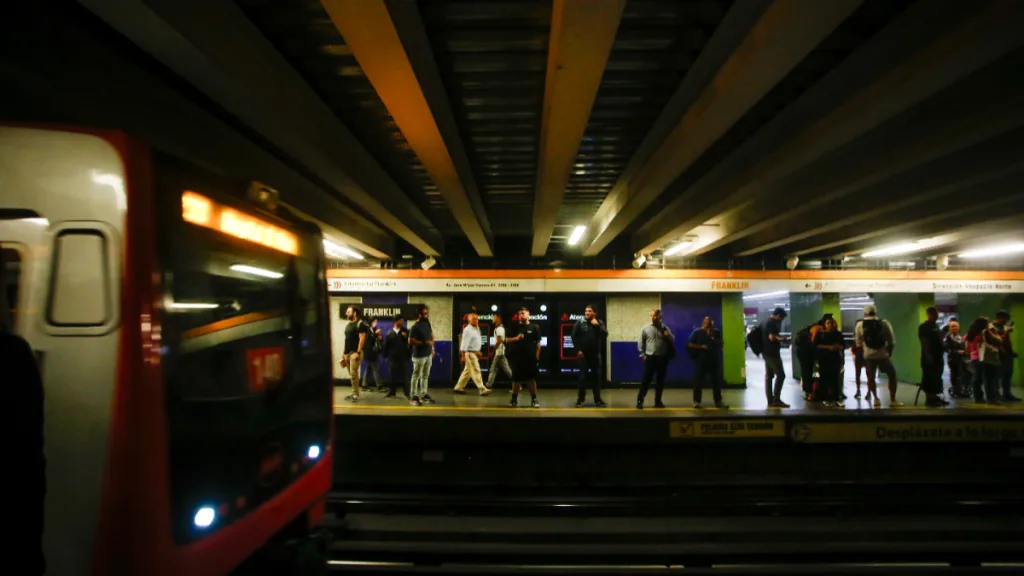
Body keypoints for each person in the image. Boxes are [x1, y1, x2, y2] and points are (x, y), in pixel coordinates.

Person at [855, 305, 901, 408]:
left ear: (865, 313)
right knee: (892, 375)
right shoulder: (884, 323)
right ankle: (893, 400)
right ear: (875, 313)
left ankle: (876, 399)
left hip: (868, 356)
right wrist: (889, 354)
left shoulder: (860, 325)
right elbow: (891, 341)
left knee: (871, 378)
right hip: (883, 355)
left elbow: (858, 343)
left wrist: (863, 355)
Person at [687, 316, 728, 409]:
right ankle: (696, 401)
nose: (708, 325)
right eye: (706, 323)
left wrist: (712, 338)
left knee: (716, 382)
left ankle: (718, 401)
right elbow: (690, 343)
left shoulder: (716, 332)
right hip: (701, 361)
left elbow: (721, 344)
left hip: (713, 361)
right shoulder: (697, 332)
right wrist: (701, 347)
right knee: (698, 382)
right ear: (703, 323)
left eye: (709, 323)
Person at [637, 308, 674, 409]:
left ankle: (658, 402)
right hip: (650, 358)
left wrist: (668, 335)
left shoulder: (665, 328)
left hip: (662, 358)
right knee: (646, 380)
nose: (653, 317)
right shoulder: (646, 328)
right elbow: (640, 342)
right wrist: (642, 354)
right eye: (652, 315)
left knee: (660, 381)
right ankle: (640, 401)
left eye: (655, 316)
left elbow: (672, 340)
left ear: (660, 317)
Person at [571, 304, 607, 407]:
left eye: (590, 311)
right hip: (584, 355)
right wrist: (578, 350)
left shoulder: (599, 323)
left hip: (595, 355)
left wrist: (596, 326)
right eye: (586, 311)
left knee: (596, 378)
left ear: (594, 313)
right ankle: (580, 400)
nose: (587, 313)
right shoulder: (580, 323)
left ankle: (598, 400)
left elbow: (604, 335)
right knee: (582, 378)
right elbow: (574, 337)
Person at [507, 306, 541, 408]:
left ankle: (534, 399)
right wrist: (516, 338)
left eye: (524, 313)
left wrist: (537, 358)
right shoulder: (514, 327)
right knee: (516, 380)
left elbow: (538, 344)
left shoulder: (534, 327)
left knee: (531, 380)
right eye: (520, 314)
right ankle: (514, 399)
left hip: (530, 358)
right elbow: (506, 339)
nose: (522, 315)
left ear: (528, 314)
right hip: (517, 358)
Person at [454, 312, 492, 396]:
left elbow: (475, 341)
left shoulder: (477, 328)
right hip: (469, 353)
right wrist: (463, 356)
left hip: (474, 353)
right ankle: (482, 389)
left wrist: (477, 351)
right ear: (469, 320)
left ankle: (458, 387)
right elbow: (464, 344)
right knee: (476, 370)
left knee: (467, 372)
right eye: (474, 319)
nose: (476, 320)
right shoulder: (468, 330)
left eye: (477, 318)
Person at [813, 316, 846, 408]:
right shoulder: (820, 334)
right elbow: (816, 345)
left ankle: (836, 398)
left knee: (835, 378)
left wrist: (838, 347)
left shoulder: (838, 334)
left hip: (835, 359)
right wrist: (828, 347)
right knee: (824, 378)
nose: (830, 325)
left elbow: (843, 345)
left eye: (831, 323)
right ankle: (825, 398)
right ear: (824, 324)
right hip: (824, 359)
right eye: (828, 323)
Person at [919, 307, 948, 407]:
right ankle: (930, 399)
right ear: (929, 314)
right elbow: (924, 342)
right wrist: (928, 356)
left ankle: (935, 397)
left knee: (937, 377)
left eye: (937, 314)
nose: (936, 316)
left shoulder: (936, 326)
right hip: (929, 357)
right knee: (929, 377)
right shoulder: (924, 327)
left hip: (938, 356)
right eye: (934, 314)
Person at [966, 317, 1000, 404]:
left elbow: (967, 349)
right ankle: (991, 399)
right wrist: (992, 331)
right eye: (987, 323)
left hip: (974, 359)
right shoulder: (984, 333)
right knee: (988, 379)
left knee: (977, 379)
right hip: (984, 358)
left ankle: (978, 398)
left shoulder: (968, 335)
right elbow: (998, 341)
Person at [762, 307, 791, 408]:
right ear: (778, 315)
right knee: (781, 375)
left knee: (769, 376)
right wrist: (782, 339)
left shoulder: (765, 321)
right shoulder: (772, 323)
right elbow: (772, 337)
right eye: (782, 318)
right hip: (772, 353)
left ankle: (770, 400)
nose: (781, 321)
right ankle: (776, 399)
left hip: (765, 352)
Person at [408, 304, 436, 406]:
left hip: (428, 354)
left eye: (427, 313)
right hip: (419, 355)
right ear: (419, 315)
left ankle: (424, 394)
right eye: (425, 313)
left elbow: (432, 335)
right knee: (416, 376)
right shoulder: (415, 327)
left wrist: (432, 348)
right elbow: (410, 341)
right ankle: (413, 396)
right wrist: (424, 343)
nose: (427, 315)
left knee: (425, 375)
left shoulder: (427, 323)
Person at [340, 305, 369, 402]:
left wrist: (358, 352)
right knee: (352, 374)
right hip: (347, 353)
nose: (346, 313)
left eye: (348, 312)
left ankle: (355, 394)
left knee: (353, 373)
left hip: (355, 353)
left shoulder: (360, 324)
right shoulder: (348, 325)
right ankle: (354, 392)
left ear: (354, 313)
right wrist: (344, 352)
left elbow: (362, 338)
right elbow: (347, 339)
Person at [991, 310, 1020, 402]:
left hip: (1007, 354)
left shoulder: (1004, 327)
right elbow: (998, 341)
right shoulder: (992, 328)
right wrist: (1006, 332)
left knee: (1007, 374)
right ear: (999, 317)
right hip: (998, 355)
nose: (1006, 321)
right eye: (1005, 318)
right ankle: (996, 394)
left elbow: (1007, 342)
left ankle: (1007, 394)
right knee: (997, 375)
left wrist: (1011, 352)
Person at [382, 314, 411, 399]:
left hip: (404, 357)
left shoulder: (406, 331)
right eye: (400, 320)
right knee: (392, 376)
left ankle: (407, 393)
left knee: (405, 376)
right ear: (396, 321)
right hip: (392, 358)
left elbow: (410, 343)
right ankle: (392, 392)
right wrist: (386, 357)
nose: (402, 321)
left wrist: (405, 337)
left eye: (402, 320)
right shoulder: (390, 333)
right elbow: (386, 346)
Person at [943, 319, 969, 398]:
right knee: (955, 374)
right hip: (953, 359)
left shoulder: (960, 337)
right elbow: (946, 348)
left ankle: (961, 389)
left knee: (962, 374)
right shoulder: (947, 338)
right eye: (952, 326)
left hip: (961, 359)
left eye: (956, 326)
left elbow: (963, 346)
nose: (955, 328)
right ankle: (956, 390)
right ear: (949, 328)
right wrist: (957, 352)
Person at [486, 313, 513, 390]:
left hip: (499, 353)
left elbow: (499, 341)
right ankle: (517, 383)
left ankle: (488, 386)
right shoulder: (499, 328)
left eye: (494, 317)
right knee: (506, 370)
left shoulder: (499, 329)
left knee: (493, 369)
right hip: (500, 353)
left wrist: (492, 351)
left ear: (498, 318)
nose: (492, 319)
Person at [361, 316, 384, 393]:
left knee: (368, 368)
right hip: (369, 352)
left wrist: (379, 336)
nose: (376, 323)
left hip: (372, 352)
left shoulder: (373, 329)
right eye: (375, 321)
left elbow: (375, 339)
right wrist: (375, 334)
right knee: (375, 368)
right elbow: (368, 341)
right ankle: (379, 386)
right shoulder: (367, 329)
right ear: (371, 321)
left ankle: (364, 385)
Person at [851, 318, 866, 399]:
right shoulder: (864, 335)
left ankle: (859, 391)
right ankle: (865, 391)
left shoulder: (856, 335)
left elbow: (854, 346)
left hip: (860, 354)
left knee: (859, 373)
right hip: (863, 354)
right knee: (868, 373)